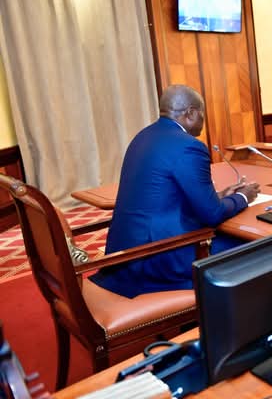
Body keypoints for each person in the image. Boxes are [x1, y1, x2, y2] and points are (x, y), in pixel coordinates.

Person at [90, 85, 260, 298]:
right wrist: (243, 197)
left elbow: (167, 196)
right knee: (256, 246)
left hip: (123, 252)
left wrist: (220, 196)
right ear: (191, 113)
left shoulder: (142, 137)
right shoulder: (189, 146)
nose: (203, 121)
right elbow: (212, 215)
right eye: (202, 114)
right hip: (157, 256)